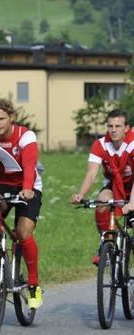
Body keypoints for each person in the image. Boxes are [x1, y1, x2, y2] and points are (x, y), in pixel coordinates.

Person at [0, 99, 44, 309]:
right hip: (1, 184)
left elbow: (30, 164)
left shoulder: (25, 136)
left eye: (2, 118)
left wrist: (27, 187)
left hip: (27, 186)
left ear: (11, 118)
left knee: (23, 232)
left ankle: (34, 284)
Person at [71, 109, 134, 263]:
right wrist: (81, 194)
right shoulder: (100, 145)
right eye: (110, 126)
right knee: (102, 202)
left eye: (118, 126)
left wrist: (132, 203)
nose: (113, 130)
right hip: (113, 185)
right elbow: (92, 173)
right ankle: (107, 243)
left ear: (127, 128)